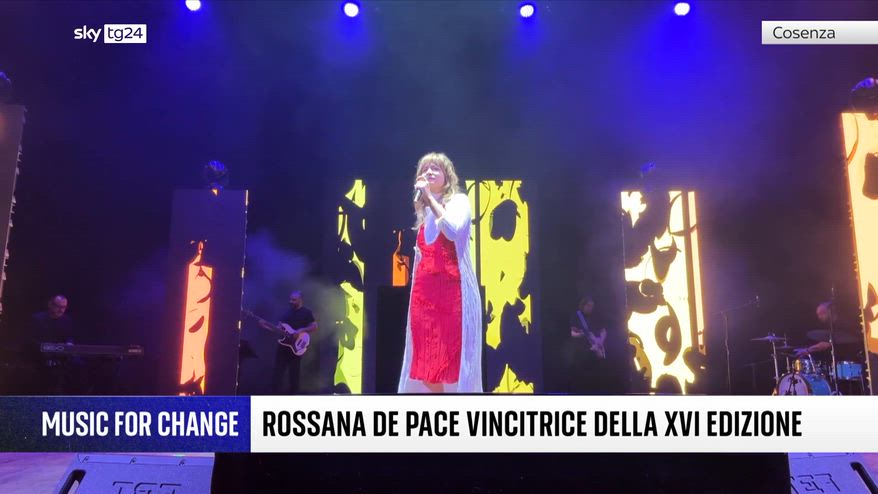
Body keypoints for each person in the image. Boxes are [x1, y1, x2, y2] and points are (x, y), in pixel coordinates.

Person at [398, 152, 482, 393]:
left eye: (435, 168)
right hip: (424, 300)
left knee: (452, 361)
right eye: (425, 169)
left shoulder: (459, 201)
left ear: (447, 175)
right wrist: (425, 204)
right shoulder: (424, 215)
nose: (429, 172)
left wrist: (429, 200)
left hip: (453, 297)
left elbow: (453, 230)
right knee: (425, 363)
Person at [260, 290, 318, 395]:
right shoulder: (286, 312)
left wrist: (301, 330)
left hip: (296, 347)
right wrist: (266, 326)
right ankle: (274, 395)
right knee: (277, 372)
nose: (291, 301)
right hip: (283, 347)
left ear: (300, 300)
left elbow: (314, 326)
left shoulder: (306, 312)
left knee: (294, 374)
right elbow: (278, 329)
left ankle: (293, 396)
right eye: (290, 299)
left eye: (294, 300)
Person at [30, 294, 77, 394]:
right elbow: (32, 341)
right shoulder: (38, 319)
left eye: (64, 307)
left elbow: (69, 336)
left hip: (60, 359)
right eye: (58, 306)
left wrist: (69, 343)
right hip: (40, 358)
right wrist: (47, 350)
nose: (61, 310)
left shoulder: (67, 320)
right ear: (50, 305)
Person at [568, 296, 608, 394]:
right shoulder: (576, 316)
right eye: (589, 306)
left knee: (596, 378)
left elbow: (603, 331)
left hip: (595, 352)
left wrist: (600, 341)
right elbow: (572, 333)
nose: (590, 308)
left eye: (592, 306)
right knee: (582, 378)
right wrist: (580, 335)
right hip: (582, 352)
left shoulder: (595, 317)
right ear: (583, 305)